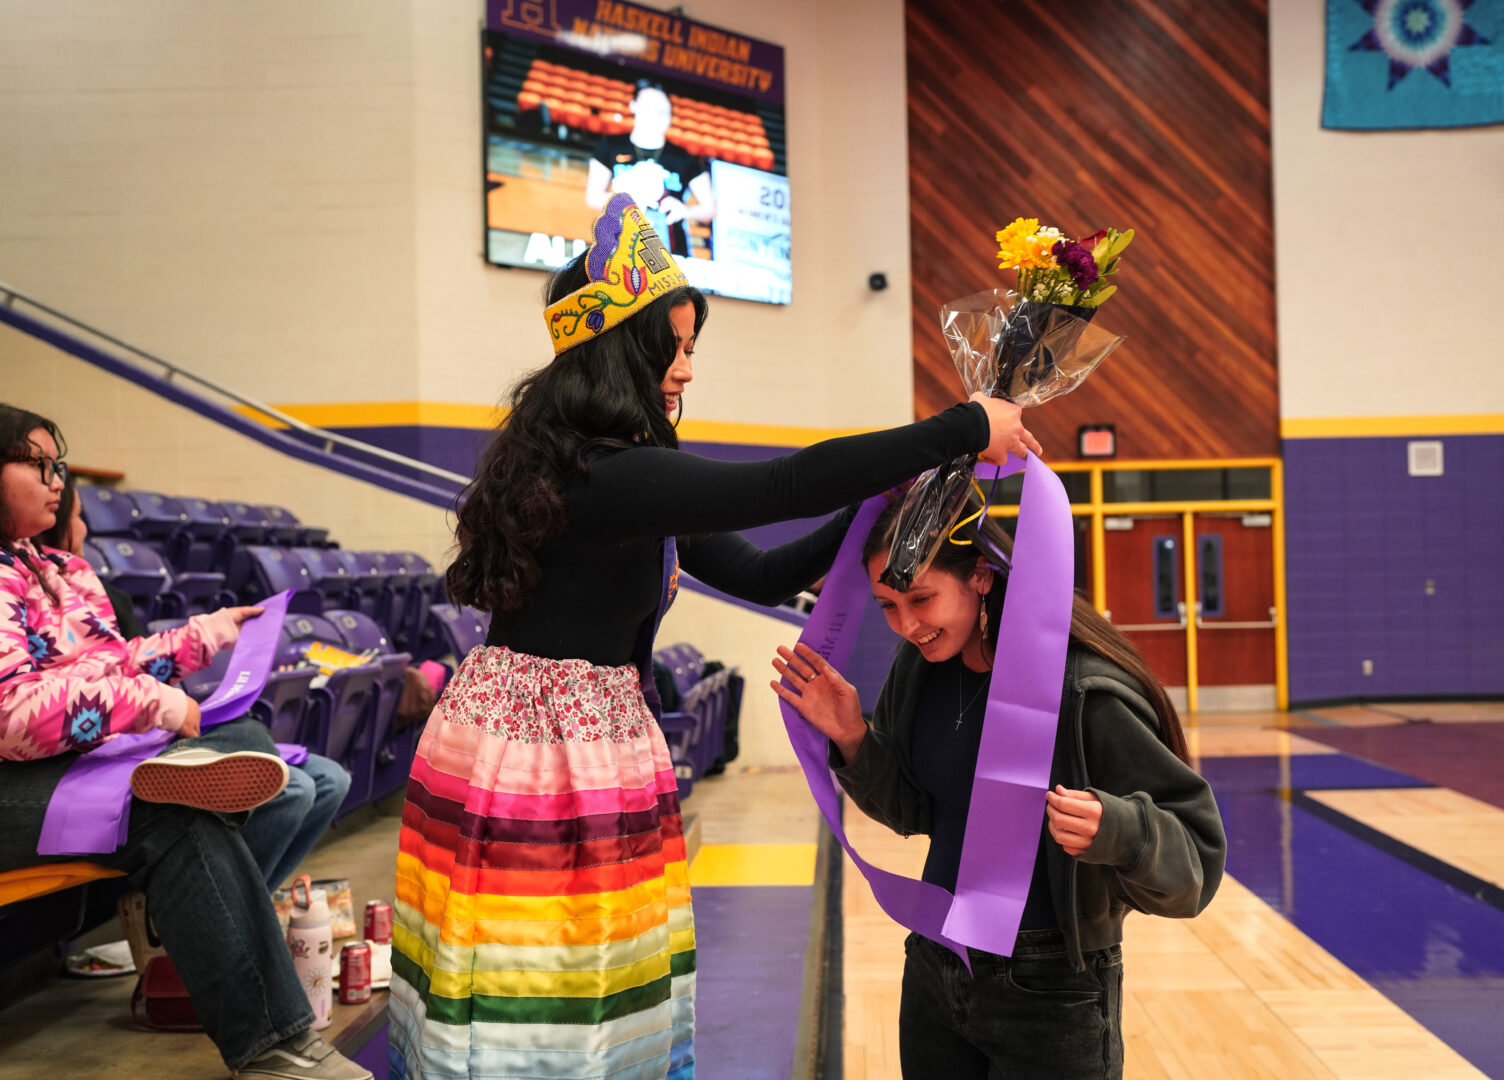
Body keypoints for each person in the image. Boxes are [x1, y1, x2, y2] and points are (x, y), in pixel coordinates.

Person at [388, 192, 1039, 1080]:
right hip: (546, 757)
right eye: (676, 347)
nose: (687, 370)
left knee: (562, 970)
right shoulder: (613, 477)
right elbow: (782, 486)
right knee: (544, 971)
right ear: (625, 351)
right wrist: (960, 426)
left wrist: (880, 501)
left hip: (547, 738)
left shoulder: (599, 469)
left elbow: (763, 573)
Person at [769, 501, 1227, 1080]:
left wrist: (1116, 828)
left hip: (1052, 989)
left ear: (981, 575)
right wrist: (854, 738)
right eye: (887, 605)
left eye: (921, 599)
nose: (906, 625)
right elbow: (914, 809)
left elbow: (1196, 863)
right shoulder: (920, 669)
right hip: (936, 967)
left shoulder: (1084, 690)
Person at [0, 404, 372, 1080]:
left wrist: (207, 634)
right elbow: (12, 716)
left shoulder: (63, 568)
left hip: (73, 765)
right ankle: (274, 1044)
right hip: (13, 781)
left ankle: (191, 771)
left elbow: (114, 667)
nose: (56, 481)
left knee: (241, 734)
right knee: (172, 810)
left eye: (59, 466)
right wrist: (151, 704)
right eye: (36, 465)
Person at [35, 470, 353, 892]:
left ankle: (241, 909)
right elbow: (46, 698)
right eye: (77, 517)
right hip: (99, 751)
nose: (85, 529)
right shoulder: (36, 595)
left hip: (135, 730)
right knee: (289, 787)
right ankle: (219, 914)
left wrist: (214, 632)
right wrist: (159, 703)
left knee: (325, 776)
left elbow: (127, 665)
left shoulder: (84, 583)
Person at [586, 80, 713, 258]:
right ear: (633, 106)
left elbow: (710, 209)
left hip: (670, 251)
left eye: (662, 111)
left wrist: (684, 210)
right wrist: (626, 202)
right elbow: (593, 197)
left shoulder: (684, 158)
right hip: (619, 247)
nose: (654, 116)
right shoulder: (610, 146)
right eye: (648, 107)